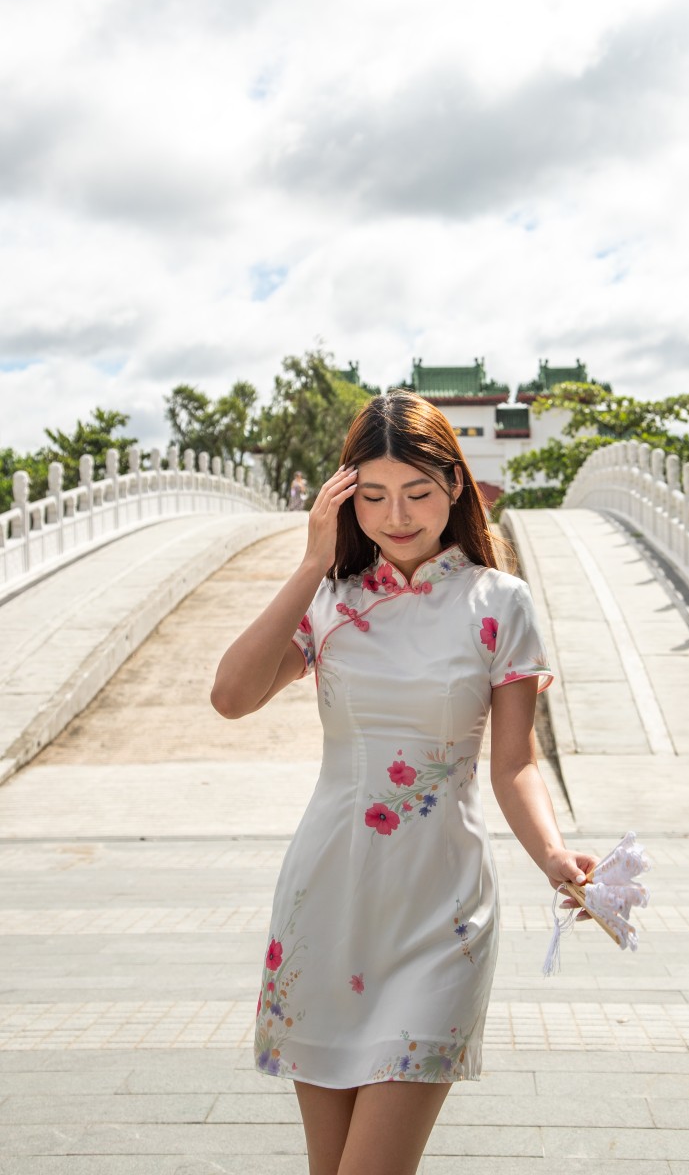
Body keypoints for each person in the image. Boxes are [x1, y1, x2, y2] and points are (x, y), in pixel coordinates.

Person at [210, 390, 596, 1175]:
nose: (397, 516)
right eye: (374, 495)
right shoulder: (331, 600)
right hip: (328, 903)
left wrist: (554, 855)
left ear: (455, 485)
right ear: (344, 499)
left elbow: (515, 762)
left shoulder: (500, 604)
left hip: (440, 915)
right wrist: (312, 563)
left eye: (418, 492)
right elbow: (232, 697)